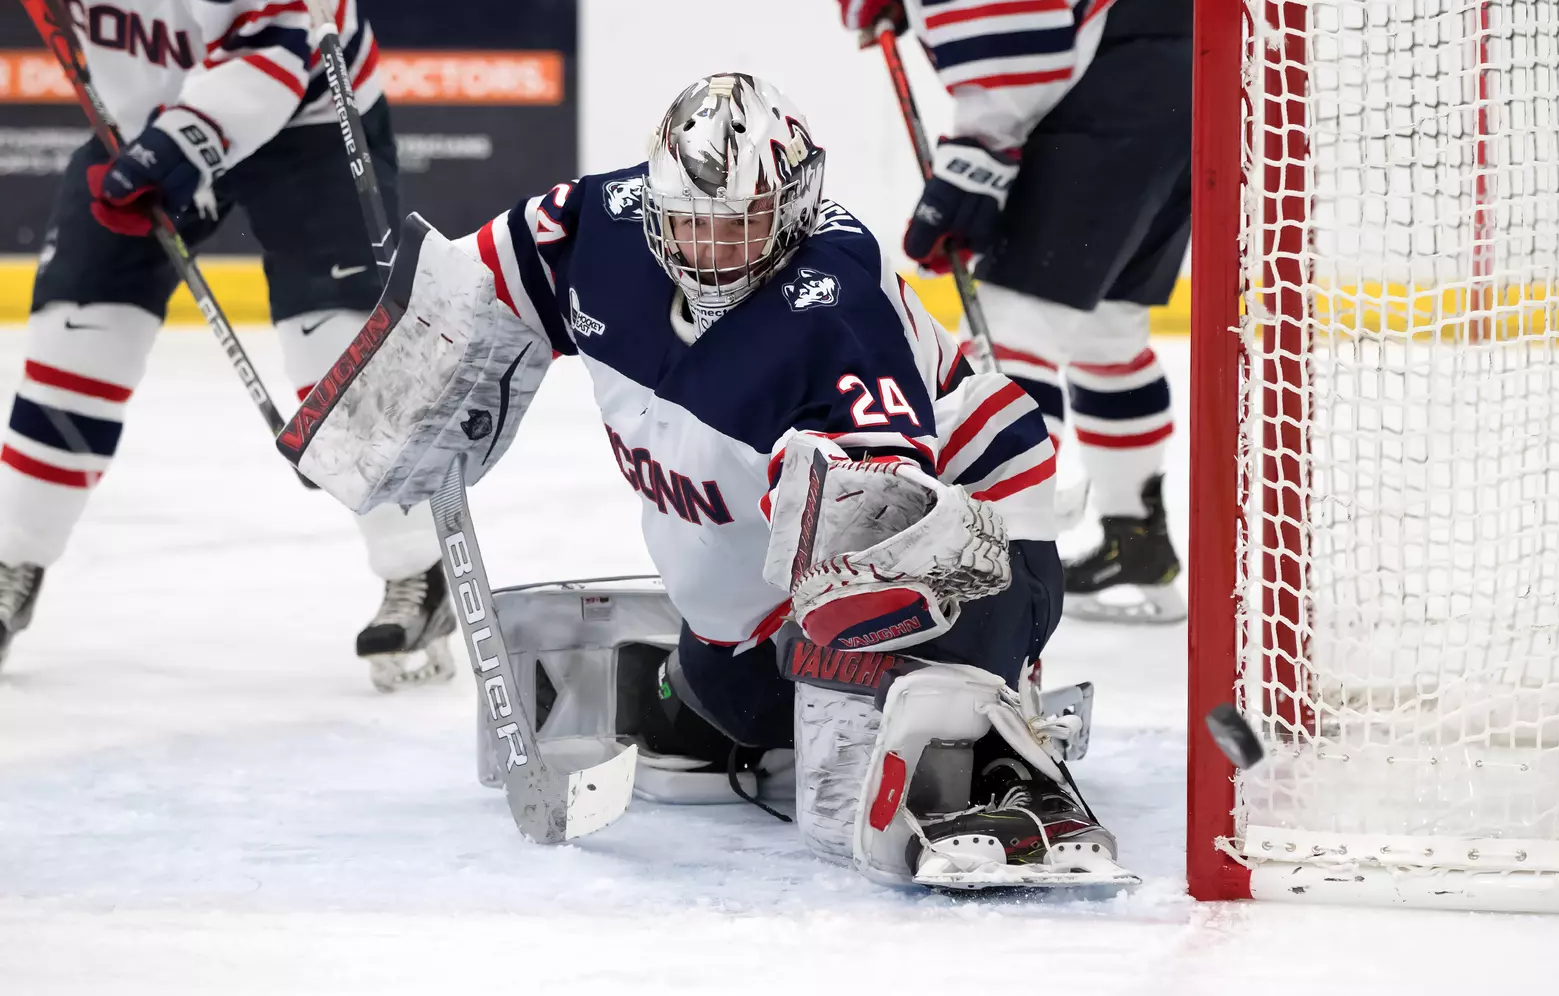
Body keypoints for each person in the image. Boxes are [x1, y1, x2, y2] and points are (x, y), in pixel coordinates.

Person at [283, 72, 1135, 888]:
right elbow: (486, 276)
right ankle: (794, 681)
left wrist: (869, 636)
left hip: (968, 532)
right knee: (729, 705)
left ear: (792, 210)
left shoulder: (831, 307)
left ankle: (997, 737)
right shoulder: (605, 227)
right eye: (691, 224)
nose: (713, 249)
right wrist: (416, 380)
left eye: (741, 223)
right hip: (766, 569)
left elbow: (891, 523)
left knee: (844, 739)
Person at [0, 0, 451, 689]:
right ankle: (13, 561)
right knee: (77, 338)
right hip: (142, 111)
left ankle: (418, 569)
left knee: (334, 348)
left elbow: (272, 45)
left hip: (303, 102)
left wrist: (179, 149)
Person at [831, 0, 1193, 622]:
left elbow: (1019, 54)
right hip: (1174, 79)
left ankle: (1005, 560)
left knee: (1010, 322)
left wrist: (973, 171)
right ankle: (1137, 542)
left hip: (1104, 104)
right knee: (1105, 334)